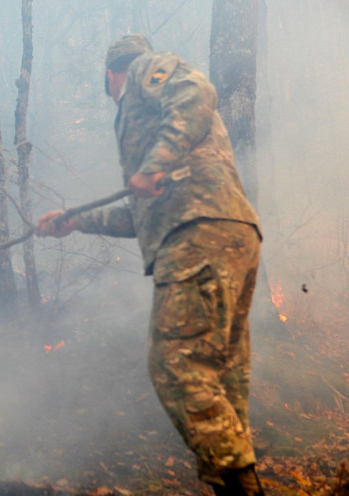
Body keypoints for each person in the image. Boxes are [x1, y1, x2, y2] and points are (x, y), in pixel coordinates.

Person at [37, 34, 265, 495]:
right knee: (220, 376)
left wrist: (156, 160)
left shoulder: (144, 70)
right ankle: (237, 485)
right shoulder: (163, 137)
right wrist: (75, 221)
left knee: (175, 365)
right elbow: (142, 216)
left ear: (109, 75)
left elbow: (197, 90)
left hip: (197, 234)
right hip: (229, 234)